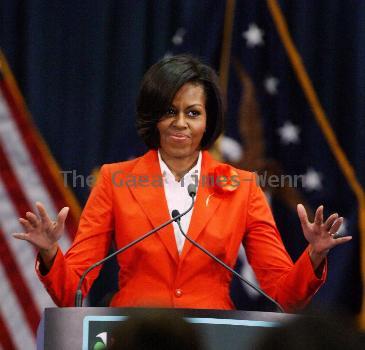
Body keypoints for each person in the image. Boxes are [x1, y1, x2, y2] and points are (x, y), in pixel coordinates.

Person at [13, 54, 351, 311]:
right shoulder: (115, 181)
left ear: (208, 120)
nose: (180, 123)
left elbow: (284, 295)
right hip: (135, 335)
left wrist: (314, 255)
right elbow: (72, 291)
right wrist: (50, 253)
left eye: (193, 112)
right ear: (154, 117)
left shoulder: (242, 187)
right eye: (169, 111)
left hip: (210, 336)